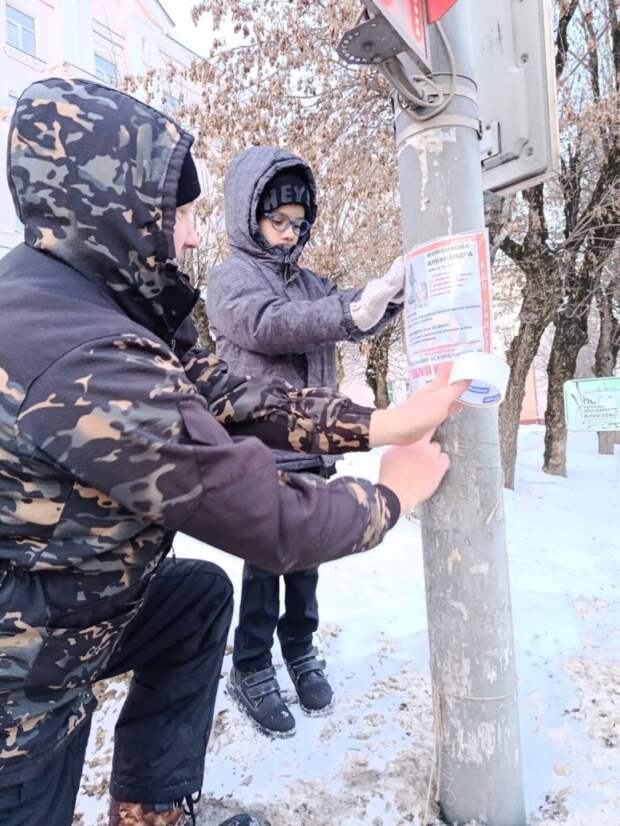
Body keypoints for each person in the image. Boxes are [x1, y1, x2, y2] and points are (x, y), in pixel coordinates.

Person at [0, 77, 466, 826]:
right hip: (24, 669)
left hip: (72, 597)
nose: (190, 235)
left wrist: (379, 423)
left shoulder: (88, 296)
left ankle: (153, 812)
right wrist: (390, 495)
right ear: (110, 207)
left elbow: (232, 396)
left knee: (195, 601)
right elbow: (263, 517)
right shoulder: (87, 360)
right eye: (177, 214)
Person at [206, 147, 407, 736]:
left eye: (298, 223)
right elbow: (269, 325)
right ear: (249, 216)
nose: (290, 234)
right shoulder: (232, 278)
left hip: (313, 446)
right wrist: (351, 312)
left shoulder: (310, 281)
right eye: (278, 221)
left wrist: (390, 297)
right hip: (263, 446)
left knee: (308, 560)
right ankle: (251, 665)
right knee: (265, 564)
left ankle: (299, 649)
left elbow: (346, 308)